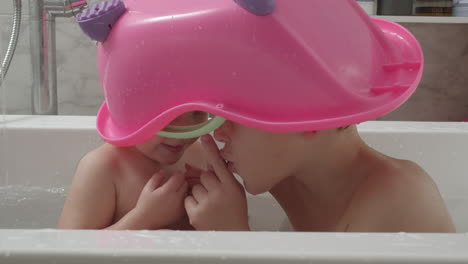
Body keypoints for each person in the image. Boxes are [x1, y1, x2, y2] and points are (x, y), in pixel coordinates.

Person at [57, 111, 208, 230]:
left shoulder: (199, 154)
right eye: (165, 114)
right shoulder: (103, 167)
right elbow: (68, 249)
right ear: (127, 109)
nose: (183, 131)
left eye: (197, 113)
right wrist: (145, 218)